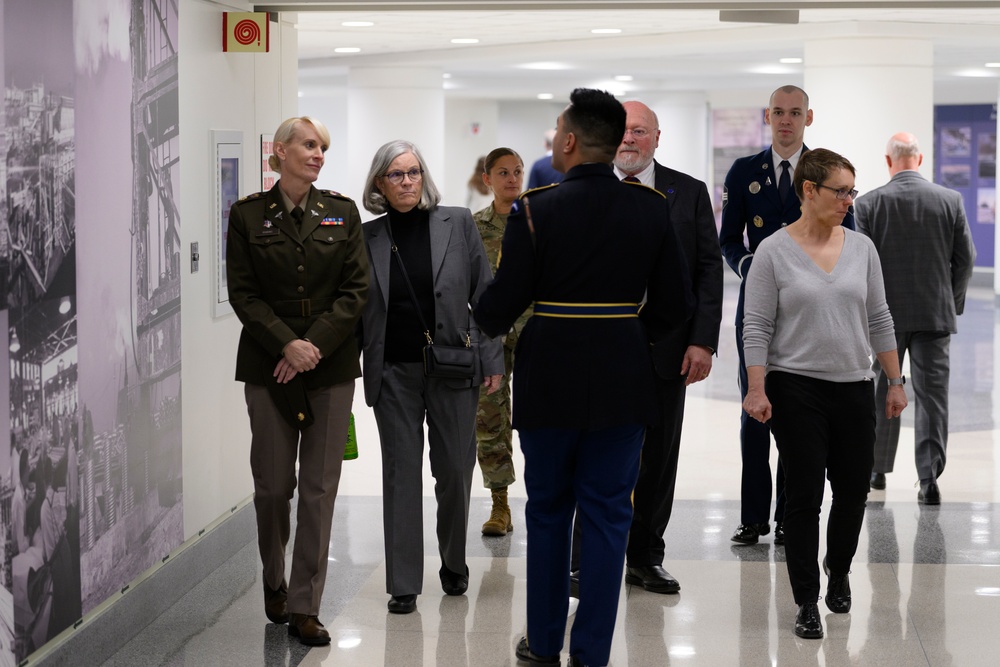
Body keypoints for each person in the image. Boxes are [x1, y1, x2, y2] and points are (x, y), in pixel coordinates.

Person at [474, 88, 693, 667]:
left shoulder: (534, 209)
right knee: (608, 514)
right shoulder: (651, 208)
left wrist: (482, 311)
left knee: (547, 511)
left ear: (568, 142)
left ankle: (545, 643)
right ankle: (591, 650)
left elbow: (500, 307)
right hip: (624, 376)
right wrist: (628, 332)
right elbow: (675, 305)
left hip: (549, 376)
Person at [742, 148, 907, 639]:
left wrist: (895, 381)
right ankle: (806, 600)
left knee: (854, 491)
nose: (848, 200)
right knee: (804, 495)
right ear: (808, 191)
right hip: (795, 388)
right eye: (840, 191)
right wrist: (756, 387)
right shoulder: (773, 251)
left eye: (852, 191)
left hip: (855, 387)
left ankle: (839, 569)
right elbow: (757, 325)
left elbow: (879, 317)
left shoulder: (862, 248)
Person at [226, 116, 369, 646]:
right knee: (272, 488)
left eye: (323, 148)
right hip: (268, 365)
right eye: (308, 146)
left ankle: (306, 605)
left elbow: (357, 291)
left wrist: (312, 347)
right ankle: (275, 580)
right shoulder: (247, 216)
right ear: (280, 151)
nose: (318, 154)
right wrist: (286, 343)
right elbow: (243, 293)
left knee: (318, 490)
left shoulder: (341, 212)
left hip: (328, 366)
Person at [358, 139, 504, 616]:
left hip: (453, 369)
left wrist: (492, 360)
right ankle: (403, 583)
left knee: (456, 471)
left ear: (425, 177)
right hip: (394, 373)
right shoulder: (368, 236)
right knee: (401, 475)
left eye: (414, 172)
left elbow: (485, 296)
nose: (407, 182)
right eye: (396, 175)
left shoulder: (456, 222)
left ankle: (453, 562)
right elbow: (359, 311)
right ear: (379, 183)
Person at [719, 85, 854, 547]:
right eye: (778, 112)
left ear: (808, 118)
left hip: (809, 307)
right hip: (757, 306)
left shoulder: (830, 171)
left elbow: (846, 235)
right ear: (767, 116)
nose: (785, 121)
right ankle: (753, 516)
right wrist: (747, 264)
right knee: (755, 409)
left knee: (799, 416)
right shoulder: (743, 172)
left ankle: (788, 517)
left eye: (795, 113)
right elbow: (729, 239)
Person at [610, 100, 723, 593]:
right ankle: (584, 556)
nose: (629, 139)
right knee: (596, 457)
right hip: (600, 350)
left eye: (639, 131)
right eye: (621, 131)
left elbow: (708, 269)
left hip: (668, 349)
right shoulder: (587, 190)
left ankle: (645, 557)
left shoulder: (689, 192)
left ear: (658, 137)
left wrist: (702, 340)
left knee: (659, 458)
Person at [855, 132, 976, 503]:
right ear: (919, 160)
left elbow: (863, 265)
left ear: (888, 161)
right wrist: (950, 302)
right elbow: (966, 260)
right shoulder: (949, 200)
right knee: (933, 396)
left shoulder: (869, 204)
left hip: (883, 319)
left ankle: (876, 471)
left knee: (880, 392)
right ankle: (929, 479)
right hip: (933, 316)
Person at [473, 147, 531, 536]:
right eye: (503, 172)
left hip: (533, 333)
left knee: (537, 418)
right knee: (490, 418)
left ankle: (546, 497)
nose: (512, 179)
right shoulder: (474, 227)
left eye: (517, 171)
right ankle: (500, 505)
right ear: (487, 179)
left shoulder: (537, 222)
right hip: (490, 335)